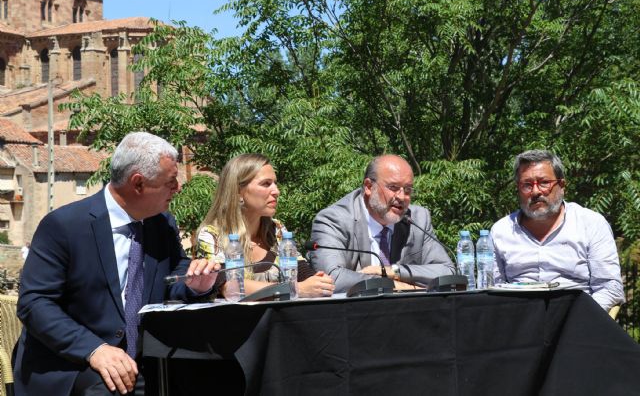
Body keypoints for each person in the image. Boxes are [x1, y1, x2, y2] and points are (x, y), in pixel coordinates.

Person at [14, 132, 220, 396]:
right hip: (71, 364)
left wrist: (194, 285)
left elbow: (174, 275)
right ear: (138, 184)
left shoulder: (161, 223)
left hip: (146, 359)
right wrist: (93, 349)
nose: (178, 188)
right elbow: (34, 303)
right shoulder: (64, 226)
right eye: (170, 181)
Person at [490, 149, 624, 311]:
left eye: (544, 182)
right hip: (520, 321)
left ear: (561, 186)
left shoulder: (591, 224)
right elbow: (493, 289)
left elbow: (609, 287)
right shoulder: (501, 231)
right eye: (527, 185)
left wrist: (583, 319)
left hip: (576, 318)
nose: (536, 191)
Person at [310, 154, 455, 293]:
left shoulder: (418, 219)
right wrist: (396, 285)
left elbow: (447, 271)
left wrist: (392, 271)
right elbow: (330, 278)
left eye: (408, 190)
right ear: (368, 186)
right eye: (393, 188)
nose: (401, 197)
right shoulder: (333, 220)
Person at [197, 153, 335, 299]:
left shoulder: (278, 230)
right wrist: (296, 289)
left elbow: (303, 274)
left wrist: (319, 282)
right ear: (238, 192)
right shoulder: (212, 234)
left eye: (275, 183)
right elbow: (229, 287)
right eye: (266, 184)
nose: (276, 191)